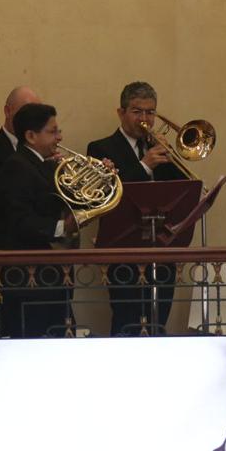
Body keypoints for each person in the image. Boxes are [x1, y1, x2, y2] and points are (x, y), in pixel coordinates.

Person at [87, 81, 190, 336]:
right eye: (137, 111)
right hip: (123, 250)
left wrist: (171, 157)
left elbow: (183, 190)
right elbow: (107, 195)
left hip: (162, 249)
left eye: (150, 112)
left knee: (158, 322)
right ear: (121, 113)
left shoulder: (159, 149)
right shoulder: (101, 148)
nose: (145, 119)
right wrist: (144, 165)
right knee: (127, 321)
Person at [0, 102, 77, 338]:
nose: (59, 137)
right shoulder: (17, 166)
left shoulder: (41, 164)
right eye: (53, 131)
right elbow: (20, 220)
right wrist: (62, 227)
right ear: (31, 136)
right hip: (30, 282)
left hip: (48, 279)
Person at [0, 85, 41, 251]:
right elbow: (0, 198)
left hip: (39, 249)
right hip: (1, 248)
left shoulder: (41, 152)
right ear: (7, 111)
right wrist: (37, 163)